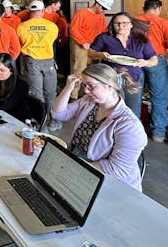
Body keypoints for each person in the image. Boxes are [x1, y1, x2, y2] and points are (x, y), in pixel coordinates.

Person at [52, 63, 148, 191]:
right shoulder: (89, 101)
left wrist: (73, 168)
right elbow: (58, 114)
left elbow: (116, 170)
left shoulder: (129, 125)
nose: (85, 91)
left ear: (109, 86)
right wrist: (68, 88)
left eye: (91, 86)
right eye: (84, 85)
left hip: (108, 182)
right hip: (81, 164)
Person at [89, 12, 157, 117]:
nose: (121, 26)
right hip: (110, 79)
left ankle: (130, 131)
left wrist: (146, 62)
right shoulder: (104, 37)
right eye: (117, 23)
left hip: (133, 79)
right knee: (112, 109)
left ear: (131, 25)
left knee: (132, 110)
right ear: (113, 25)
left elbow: (154, 59)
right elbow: (90, 53)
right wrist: (101, 55)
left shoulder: (140, 39)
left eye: (124, 23)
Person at [136, 0, 168, 142]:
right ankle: (158, 133)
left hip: (136, 60)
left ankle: (133, 129)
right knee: (159, 97)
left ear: (144, 8)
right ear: (159, 9)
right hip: (156, 61)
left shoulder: (132, 21)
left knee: (134, 95)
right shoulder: (164, 23)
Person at [17, 0, 60, 131]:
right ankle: (53, 121)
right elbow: (52, 40)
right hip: (48, 62)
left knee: (36, 94)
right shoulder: (52, 26)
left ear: (29, 12)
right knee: (51, 93)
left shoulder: (21, 27)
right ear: (42, 11)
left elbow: (20, 43)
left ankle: (40, 124)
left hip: (31, 62)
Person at [69, 0, 112, 98]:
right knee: (79, 70)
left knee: (94, 70)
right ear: (97, 4)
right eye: (103, 8)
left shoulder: (101, 16)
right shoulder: (81, 13)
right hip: (81, 46)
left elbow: (103, 31)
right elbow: (73, 29)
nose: (104, 11)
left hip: (94, 46)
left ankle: (90, 93)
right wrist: (83, 42)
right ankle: (73, 96)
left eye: (106, 9)